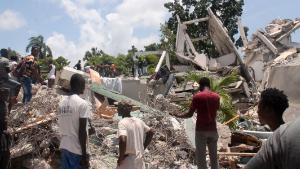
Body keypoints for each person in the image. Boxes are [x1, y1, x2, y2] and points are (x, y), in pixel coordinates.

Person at [171, 77, 220, 169]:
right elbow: (216, 109)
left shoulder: (197, 97)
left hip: (201, 131)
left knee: (201, 158)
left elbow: (189, 114)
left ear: (201, 86)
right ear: (209, 85)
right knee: (214, 157)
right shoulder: (216, 97)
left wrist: (177, 115)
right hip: (213, 130)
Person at [244, 88, 295, 169]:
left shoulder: (275, 142)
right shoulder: (288, 132)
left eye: (259, 107)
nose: (257, 112)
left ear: (269, 110)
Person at [58, 74, 91, 169]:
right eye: (83, 84)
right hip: (77, 150)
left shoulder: (61, 103)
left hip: (64, 147)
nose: (84, 87)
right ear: (79, 85)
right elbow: (82, 131)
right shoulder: (82, 104)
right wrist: (84, 155)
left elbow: (68, 124)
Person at [117, 100, 154, 169]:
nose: (117, 109)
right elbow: (151, 132)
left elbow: (123, 140)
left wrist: (120, 158)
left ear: (122, 109)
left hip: (128, 162)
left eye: (118, 107)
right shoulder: (139, 121)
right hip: (139, 159)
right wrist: (143, 147)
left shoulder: (122, 123)